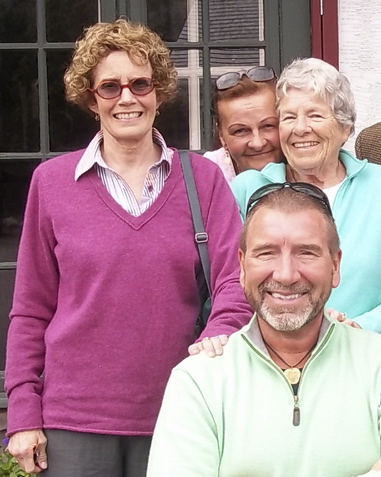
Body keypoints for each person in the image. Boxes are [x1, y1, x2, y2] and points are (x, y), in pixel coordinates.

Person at [4, 19, 252, 476]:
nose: (127, 98)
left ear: (158, 91)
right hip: (75, 420)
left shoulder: (203, 180)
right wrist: (22, 409)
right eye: (110, 87)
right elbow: (30, 309)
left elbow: (236, 278)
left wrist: (219, 333)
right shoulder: (53, 184)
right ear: (90, 97)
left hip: (180, 407)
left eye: (140, 84)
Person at [147, 183, 381, 477]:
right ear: (242, 267)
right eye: (267, 253)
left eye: (306, 252)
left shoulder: (376, 364)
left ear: (335, 266)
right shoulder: (199, 381)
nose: (285, 275)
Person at [232, 57, 381, 332]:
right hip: (269, 356)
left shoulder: (377, 188)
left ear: (345, 127)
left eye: (314, 115)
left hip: (366, 358)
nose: (300, 128)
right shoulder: (247, 190)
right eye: (289, 117)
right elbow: (228, 283)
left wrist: (360, 327)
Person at [203, 67, 283, 182]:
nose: (258, 144)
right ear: (222, 136)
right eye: (240, 131)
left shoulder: (306, 166)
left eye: (268, 126)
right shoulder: (205, 177)